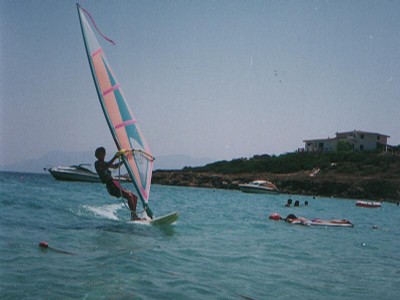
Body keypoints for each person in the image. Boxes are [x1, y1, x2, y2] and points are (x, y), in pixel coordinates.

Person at [94, 147, 141, 221]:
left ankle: (133, 216)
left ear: (104, 154)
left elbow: (115, 166)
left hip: (114, 183)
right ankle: (134, 216)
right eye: (98, 155)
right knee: (129, 196)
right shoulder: (97, 163)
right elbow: (106, 165)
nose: (100, 156)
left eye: (102, 154)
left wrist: (124, 160)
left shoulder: (104, 163)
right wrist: (115, 157)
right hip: (111, 185)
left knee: (134, 197)